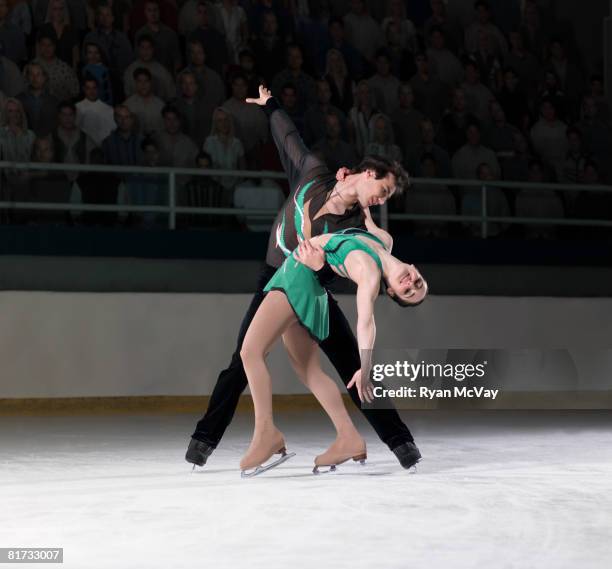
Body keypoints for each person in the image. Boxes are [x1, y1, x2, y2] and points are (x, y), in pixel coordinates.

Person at [186, 84, 422, 472]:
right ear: (366, 173)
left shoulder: (359, 226)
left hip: (307, 286)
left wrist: (388, 269)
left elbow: (364, 259)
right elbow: (289, 139)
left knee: (332, 362)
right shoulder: (313, 173)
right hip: (275, 274)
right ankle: (206, 439)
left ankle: (399, 442)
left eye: (387, 197)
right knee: (258, 361)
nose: (382, 200)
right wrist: (271, 106)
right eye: (383, 189)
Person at [240, 218, 427, 475]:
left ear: (392, 291)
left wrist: (365, 366)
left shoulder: (370, 274)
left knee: (250, 352)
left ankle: (266, 434)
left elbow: (366, 322)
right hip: (308, 281)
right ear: (416, 269)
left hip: (298, 279)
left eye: (409, 291)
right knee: (308, 370)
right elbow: (365, 210)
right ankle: (348, 437)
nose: (411, 283)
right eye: (417, 283)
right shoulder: (384, 241)